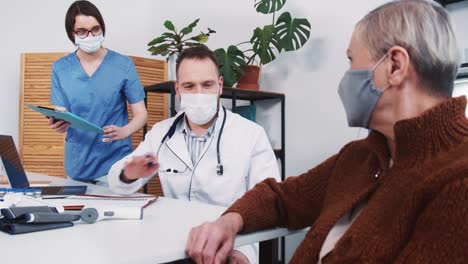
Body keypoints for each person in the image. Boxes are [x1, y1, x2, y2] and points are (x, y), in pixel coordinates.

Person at [185, 1, 468, 263]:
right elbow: (282, 198)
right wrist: (230, 221)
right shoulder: (363, 157)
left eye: (351, 60)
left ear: (394, 65)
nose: (346, 78)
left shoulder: (458, 182)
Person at [107, 45, 280, 263]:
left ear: (219, 86)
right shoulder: (161, 133)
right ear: (177, 90)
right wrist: (129, 173)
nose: (199, 93)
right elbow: (115, 182)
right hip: (174, 248)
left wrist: (244, 252)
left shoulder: (251, 135)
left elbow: (266, 202)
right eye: (189, 86)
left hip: (230, 248)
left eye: (207, 85)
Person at [48, 1, 147, 185]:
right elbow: (61, 112)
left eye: (96, 29)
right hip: (77, 164)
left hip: (116, 163)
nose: (91, 35)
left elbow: (141, 114)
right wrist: (59, 123)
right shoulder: (61, 68)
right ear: (72, 33)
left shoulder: (123, 65)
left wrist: (125, 131)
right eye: (82, 31)